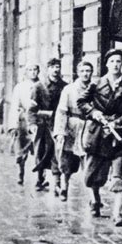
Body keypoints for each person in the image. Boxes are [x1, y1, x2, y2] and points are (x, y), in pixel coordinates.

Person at [77, 49, 122, 224]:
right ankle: (95, 199)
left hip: (120, 135)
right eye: (112, 61)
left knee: (120, 176)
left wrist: (117, 122)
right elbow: (81, 102)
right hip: (98, 135)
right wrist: (94, 113)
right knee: (92, 176)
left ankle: (118, 214)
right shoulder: (96, 84)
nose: (115, 64)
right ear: (106, 64)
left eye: (118, 61)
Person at [53, 60, 94, 201]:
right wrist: (60, 132)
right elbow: (62, 111)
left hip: (89, 126)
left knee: (89, 161)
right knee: (67, 160)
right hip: (72, 126)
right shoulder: (69, 89)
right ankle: (64, 188)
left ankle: (92, 196)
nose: (85, 74)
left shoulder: (95, 88)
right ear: (78, 72)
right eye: (82, 71)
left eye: (88, 71)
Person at [7, 63, 47, 186]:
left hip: (38, 121)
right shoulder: (20, 87)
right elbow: (14, 106)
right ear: (26, 72)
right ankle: (21, 174)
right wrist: (13, 125)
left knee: (40, 150)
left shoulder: (42, 86)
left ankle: (40, 178)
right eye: (30, 69)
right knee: (21, 150)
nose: (33, 72)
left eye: (35, 69)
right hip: (23, 122)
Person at [41, 58, 68, 195]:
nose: (56, 69)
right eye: (52, 67)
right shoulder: (41, 86)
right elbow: (34, 108)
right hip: (44, 125)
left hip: (59, 124)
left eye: (58, 67)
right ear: (48, 69)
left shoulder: (65, 86)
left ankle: (57, 183)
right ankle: (41, 177)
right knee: (43, 152)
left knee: (57, 152)